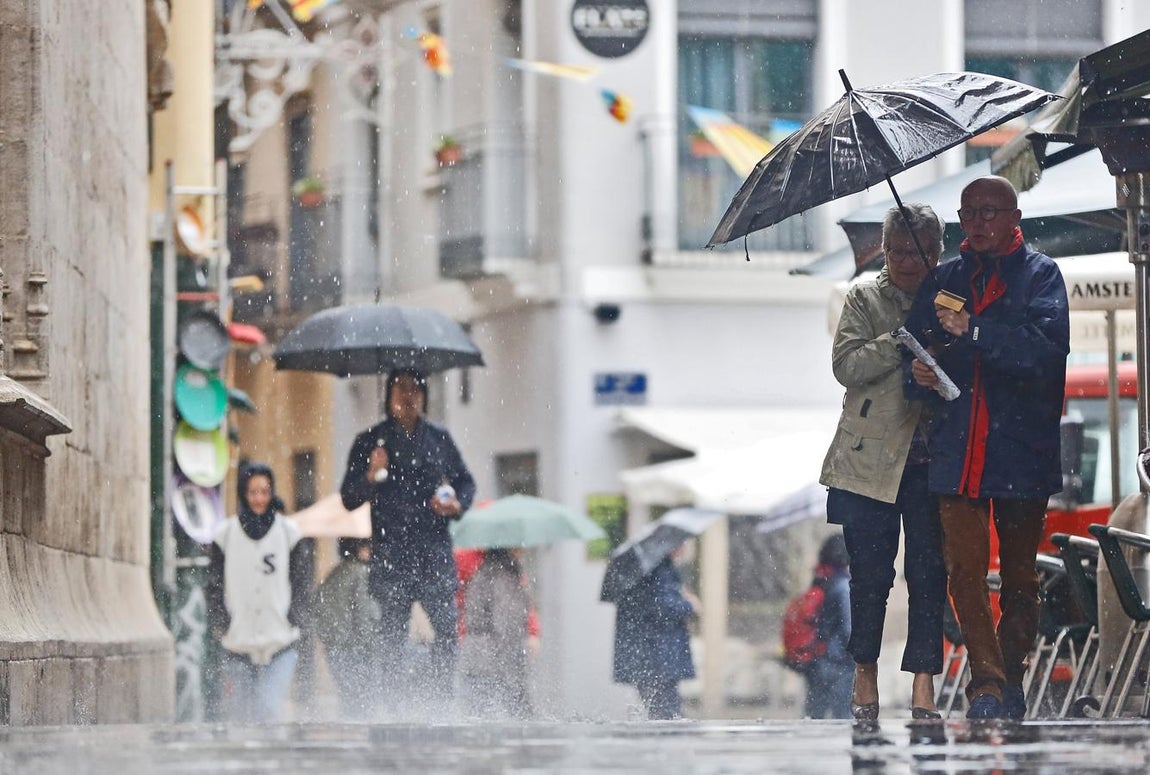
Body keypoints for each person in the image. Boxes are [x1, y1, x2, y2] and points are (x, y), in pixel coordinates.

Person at [904, 175, 1070, 720]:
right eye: (968, 212)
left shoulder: (1042, 276)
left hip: (1022, 451)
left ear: (1014, 217)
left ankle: (1011, 671)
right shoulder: (943, 278)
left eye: (989, 212)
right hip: (956, 452)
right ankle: (988, 684)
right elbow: (918, 347)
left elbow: (1043, 356)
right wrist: (920, 372)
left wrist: (974, 332)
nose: (977, 222)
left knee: (1020, 576)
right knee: (964, 571)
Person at [819, 203, 948, 721]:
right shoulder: (864, 297)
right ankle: (865, 670)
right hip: (867, 463)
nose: (904, 263)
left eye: (915, 252)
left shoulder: (949, 302)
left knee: (928, 574)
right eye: (894, 252)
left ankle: (923, 682)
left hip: (931, 460)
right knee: (870, 576)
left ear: (935, 252)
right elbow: (846, 365)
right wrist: (898, 342)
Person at [339, 369, 476, 713]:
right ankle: (394, 704)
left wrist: (455, 504)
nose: (408, 396)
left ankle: (439, 697)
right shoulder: (370, 441)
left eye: (415, 389)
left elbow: (466, 483)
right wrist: (371, 475)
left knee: (446, 627)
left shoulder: (440, 440)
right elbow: (349, 497)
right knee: (391, 638)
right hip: (391, 555)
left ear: (424, 396)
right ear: (388, 396)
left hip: (433, 552)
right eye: (401, 389)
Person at [206, 462, 307, 722]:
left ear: (272, 492)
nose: (259, 498)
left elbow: (301, 582)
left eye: (264, 491)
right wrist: (222, 621)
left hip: (280, 638)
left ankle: (269, 762)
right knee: (240, 716)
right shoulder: (225, 535)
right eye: (253, 492)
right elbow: (214, 584)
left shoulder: (288, 533)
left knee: (269, 710)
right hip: (238, 639)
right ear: (243, 493)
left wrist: (294, 616)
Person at [611, 551, 698, 720]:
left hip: (648, 654)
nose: (684, 547)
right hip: (659, 653)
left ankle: (661, 742)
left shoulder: (647, 567)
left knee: (658, 712)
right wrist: (689, 605)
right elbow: (663, 607)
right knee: (668, 715)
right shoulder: (659, 569)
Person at [458, 547, 536, 719]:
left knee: (476, 721)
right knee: (516, 723)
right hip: (494, 663)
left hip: (477, 659)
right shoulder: (504, 576)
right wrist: (513, 674)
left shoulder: (484, 571)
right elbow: (508, 626)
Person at [314, 538, 380, 719]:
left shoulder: (335, 572)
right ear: (359, 549)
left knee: (346, 697)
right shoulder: (362, 572)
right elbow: (363, 611)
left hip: (334, 645)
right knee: (363, 700)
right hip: (355, 646)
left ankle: (348, 735)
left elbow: (318, 606)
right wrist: (370, 645)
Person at [802, 533, 853, 719]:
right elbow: (848, 628)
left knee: (814, 716)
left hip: (818, 659)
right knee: (844, 718)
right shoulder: (844, 586)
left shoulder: (822, 581)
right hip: (840, 661)